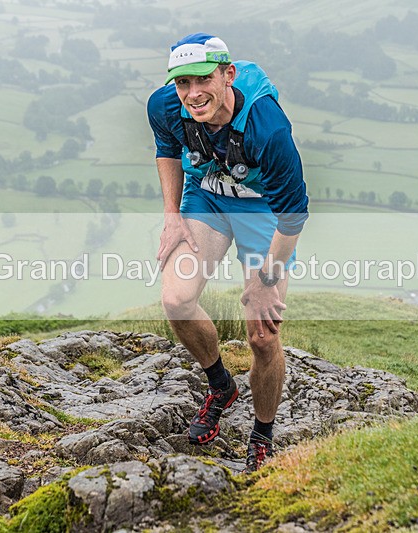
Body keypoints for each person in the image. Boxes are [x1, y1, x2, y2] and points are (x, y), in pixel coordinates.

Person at [146, 33, 309, 473]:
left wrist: (265, 279)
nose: (193, 93)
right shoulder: (164, 105)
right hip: (209, 196)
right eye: (183, 83)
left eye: (203, 79)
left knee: (263, 334)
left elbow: (293, 216)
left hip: (265, 211)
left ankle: (262, 434)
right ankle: (221, 387)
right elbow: (167, 151)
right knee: (177, 298)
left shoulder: (268, 128)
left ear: (228, 75)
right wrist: (171, 215)